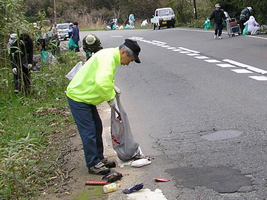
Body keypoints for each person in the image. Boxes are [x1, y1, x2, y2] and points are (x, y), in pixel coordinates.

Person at [66, 39, 141, 175]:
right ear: (123, 52)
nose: (128, 64)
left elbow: (103, 79)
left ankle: (99, 158)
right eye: (129, 60)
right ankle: (93, 163)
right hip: (78, 97)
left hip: (85, 97)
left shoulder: (109, 55)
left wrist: (112, 89)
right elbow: (102, 82)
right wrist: (110, 98)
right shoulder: (108, 58)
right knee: (89, 131)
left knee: (97, 127)